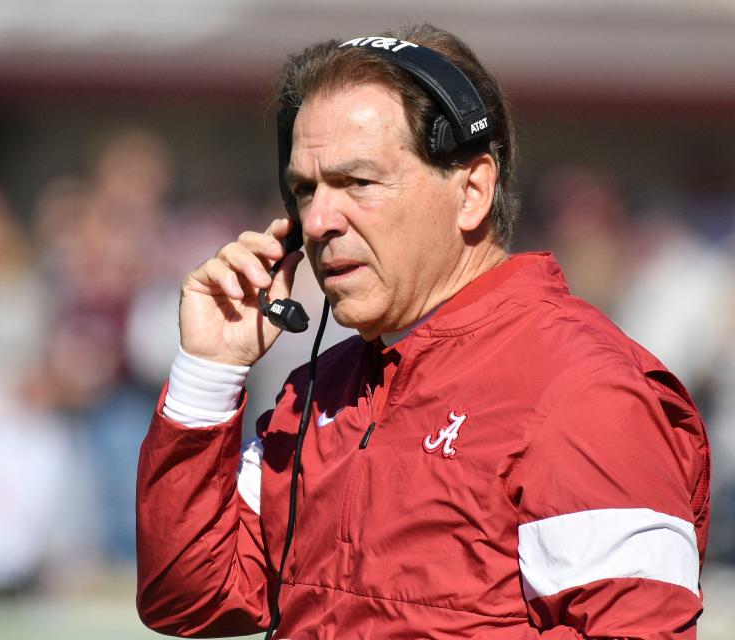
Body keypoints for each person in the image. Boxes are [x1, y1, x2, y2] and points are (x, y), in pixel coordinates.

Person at [135, 23, 710, 639]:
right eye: (304, 189)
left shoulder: (584, 389)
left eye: (358, 182)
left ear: (471, 192)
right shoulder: (318, 393)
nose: (320, 219)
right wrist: (209, 371)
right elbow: (187, 597)